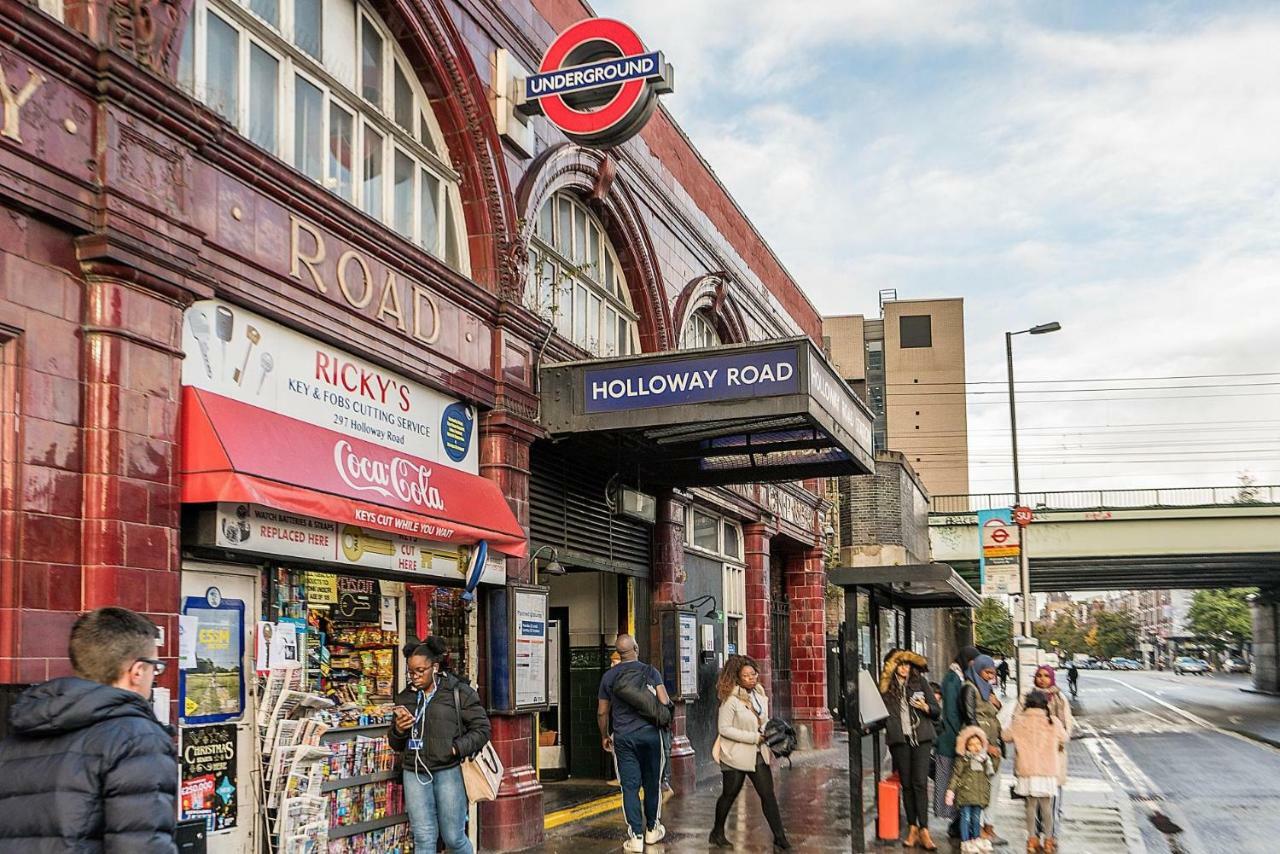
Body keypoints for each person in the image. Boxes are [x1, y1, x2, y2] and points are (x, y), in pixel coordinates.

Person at [0, 607, 178, 853]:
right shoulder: (138, 739)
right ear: (137, 671)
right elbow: (142, 846)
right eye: (155, 666)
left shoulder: (18, 736)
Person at [390, 636, 491, 854]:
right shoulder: (405, 697)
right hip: (414, 772)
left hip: (448, 771)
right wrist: (398, 729)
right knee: (424, 837)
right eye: (411, 672)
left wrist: (455, 749)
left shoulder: (458, 692)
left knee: (453, 837)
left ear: (434, 667)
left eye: (420, 671)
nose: (415, 677)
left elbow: (482, 729)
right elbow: (396, 743)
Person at [709, 655, 790, 851]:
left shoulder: (759, 694)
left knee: (767, 795)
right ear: (738, 678)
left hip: (757, 754)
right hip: (735, 755)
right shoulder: (730, 700)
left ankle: (780, 837)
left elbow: (763, 720)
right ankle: (717, 831)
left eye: (753, 674)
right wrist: (754, 737)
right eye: (746, 676)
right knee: (729, 794)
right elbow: (724, 729)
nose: (751, 678)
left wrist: (771, 732)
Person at [598, 634, 670, 852]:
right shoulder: (651, 671)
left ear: (618, 653)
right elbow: (664, 702)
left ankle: (636, 837)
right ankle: (652, 830)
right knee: (652, 784)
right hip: (650, 736)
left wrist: (604, 735)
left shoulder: (609, 677)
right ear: (636, 648)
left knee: (629, 787)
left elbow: (602, 711)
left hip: (623, 738)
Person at [879, 648, 941, 851]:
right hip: (900, 741)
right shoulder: (887, 686)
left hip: (921, 738)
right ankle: (913, 828)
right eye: (901, 664)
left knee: (920, 783)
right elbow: (880, 710)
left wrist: (925, 707)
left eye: (908, 664)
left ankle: (924, 829)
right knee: (906, 784)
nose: (905, 668)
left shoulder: (919, 682)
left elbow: (936, 710)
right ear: (893, 666)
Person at [1002, 691, 1067, 854]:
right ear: (1045, 704)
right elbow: (1064, 737)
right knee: (1046, 807)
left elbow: (1005, 736)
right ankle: (1049, 842)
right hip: (1047, 771)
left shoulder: (1020, 721)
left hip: (1027, 770)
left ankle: (1031, 841)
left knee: (1030, 806)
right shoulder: (1053, 721)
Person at [1018, 667, 1073, 836]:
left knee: (1052, 799)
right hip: (1031, 756)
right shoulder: (1026, 697)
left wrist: (1056, 739)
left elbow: (1067, 726)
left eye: (1046, 676)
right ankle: (1034, 835)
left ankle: (1051, 835)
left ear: (1052, 678)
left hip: (1054, 754)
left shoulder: (1060, 698)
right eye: (1039, 676)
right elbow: (1017, 721)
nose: (1042, 679)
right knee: (1032, 801)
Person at [964, 653, 1006, 846]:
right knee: (979, 789)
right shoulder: (969, 688)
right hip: (978, 748)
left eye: (992, 673)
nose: (990, 676)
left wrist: (997, 703)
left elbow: (994, 711)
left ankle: (989, 827)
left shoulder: (987, 689)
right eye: (987, 672)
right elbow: (970, 718)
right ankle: (979, 829)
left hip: (994, 745)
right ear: (978, 669)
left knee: (994, 788)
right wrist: (984, 745)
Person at [938, 645, 981, 838]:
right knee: (950, 782)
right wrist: (961, 738)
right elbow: (951, 712)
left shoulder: (959, 677)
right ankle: (955, 824)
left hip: (956, 739)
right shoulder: (952, 678)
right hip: (951, 741)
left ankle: (957, 823)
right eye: (973, 661)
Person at [945, 726, 997, 854]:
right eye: (972, 745)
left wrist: (993, 757)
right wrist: (951, 791)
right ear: (965, 746)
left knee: (976, 818)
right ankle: (966, 841)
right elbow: (956, 775)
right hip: (965, 794)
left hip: (978, 795)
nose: (976, 747)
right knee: (966, 817)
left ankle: (976, 839)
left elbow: (991, 772)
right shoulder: (963, 760)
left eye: (978, 744)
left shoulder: (985, 760)